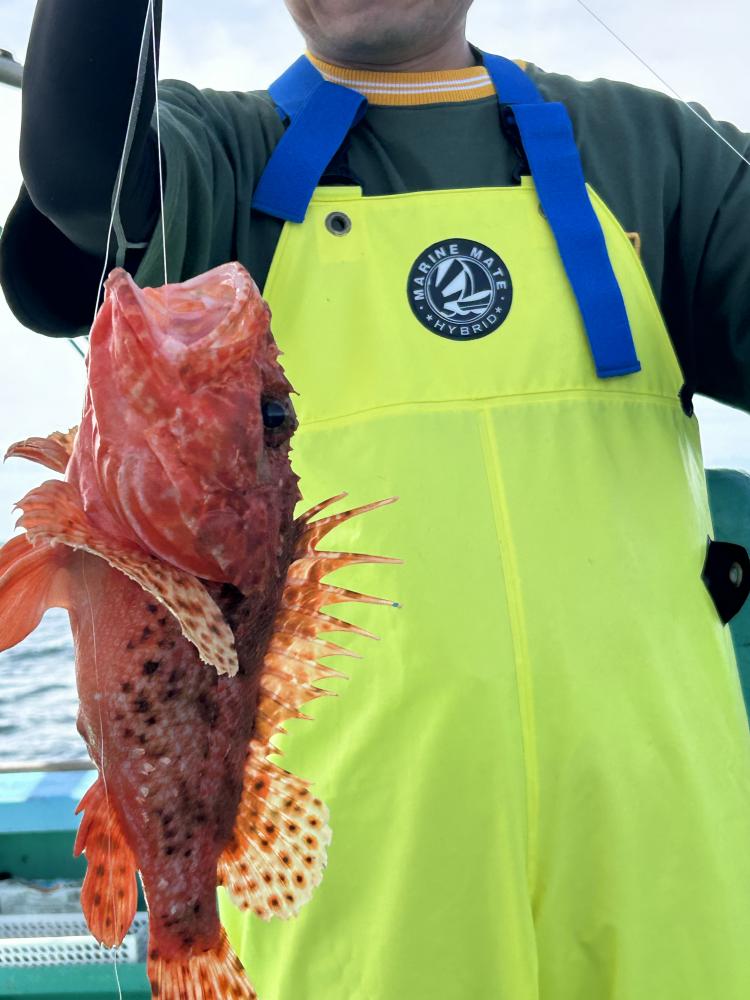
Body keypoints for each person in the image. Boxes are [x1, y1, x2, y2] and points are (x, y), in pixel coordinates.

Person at [2, 2, 750, 997]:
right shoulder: (219, 155)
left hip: (671, 876)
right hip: (351, 910)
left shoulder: (659, 155)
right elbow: (74, 172)